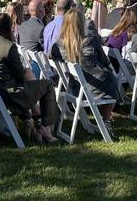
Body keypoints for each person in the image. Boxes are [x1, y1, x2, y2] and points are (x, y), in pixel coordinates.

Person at [0, 13, 59, 144]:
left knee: (30, 81)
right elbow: (19, 74)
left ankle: (32, 119)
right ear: (8, 28)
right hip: (7, 94)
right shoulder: (8, 46)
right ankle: (46, 129)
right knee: (48, 85)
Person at [50, 8, 120, 140]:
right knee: (110, 77)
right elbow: (105, 61)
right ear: (81, 24)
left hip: (72, 88)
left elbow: (52, 60)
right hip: (94, 88)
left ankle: (104, 120)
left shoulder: (57, 45)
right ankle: (106, 120)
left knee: (105, 76)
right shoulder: (90, 40)